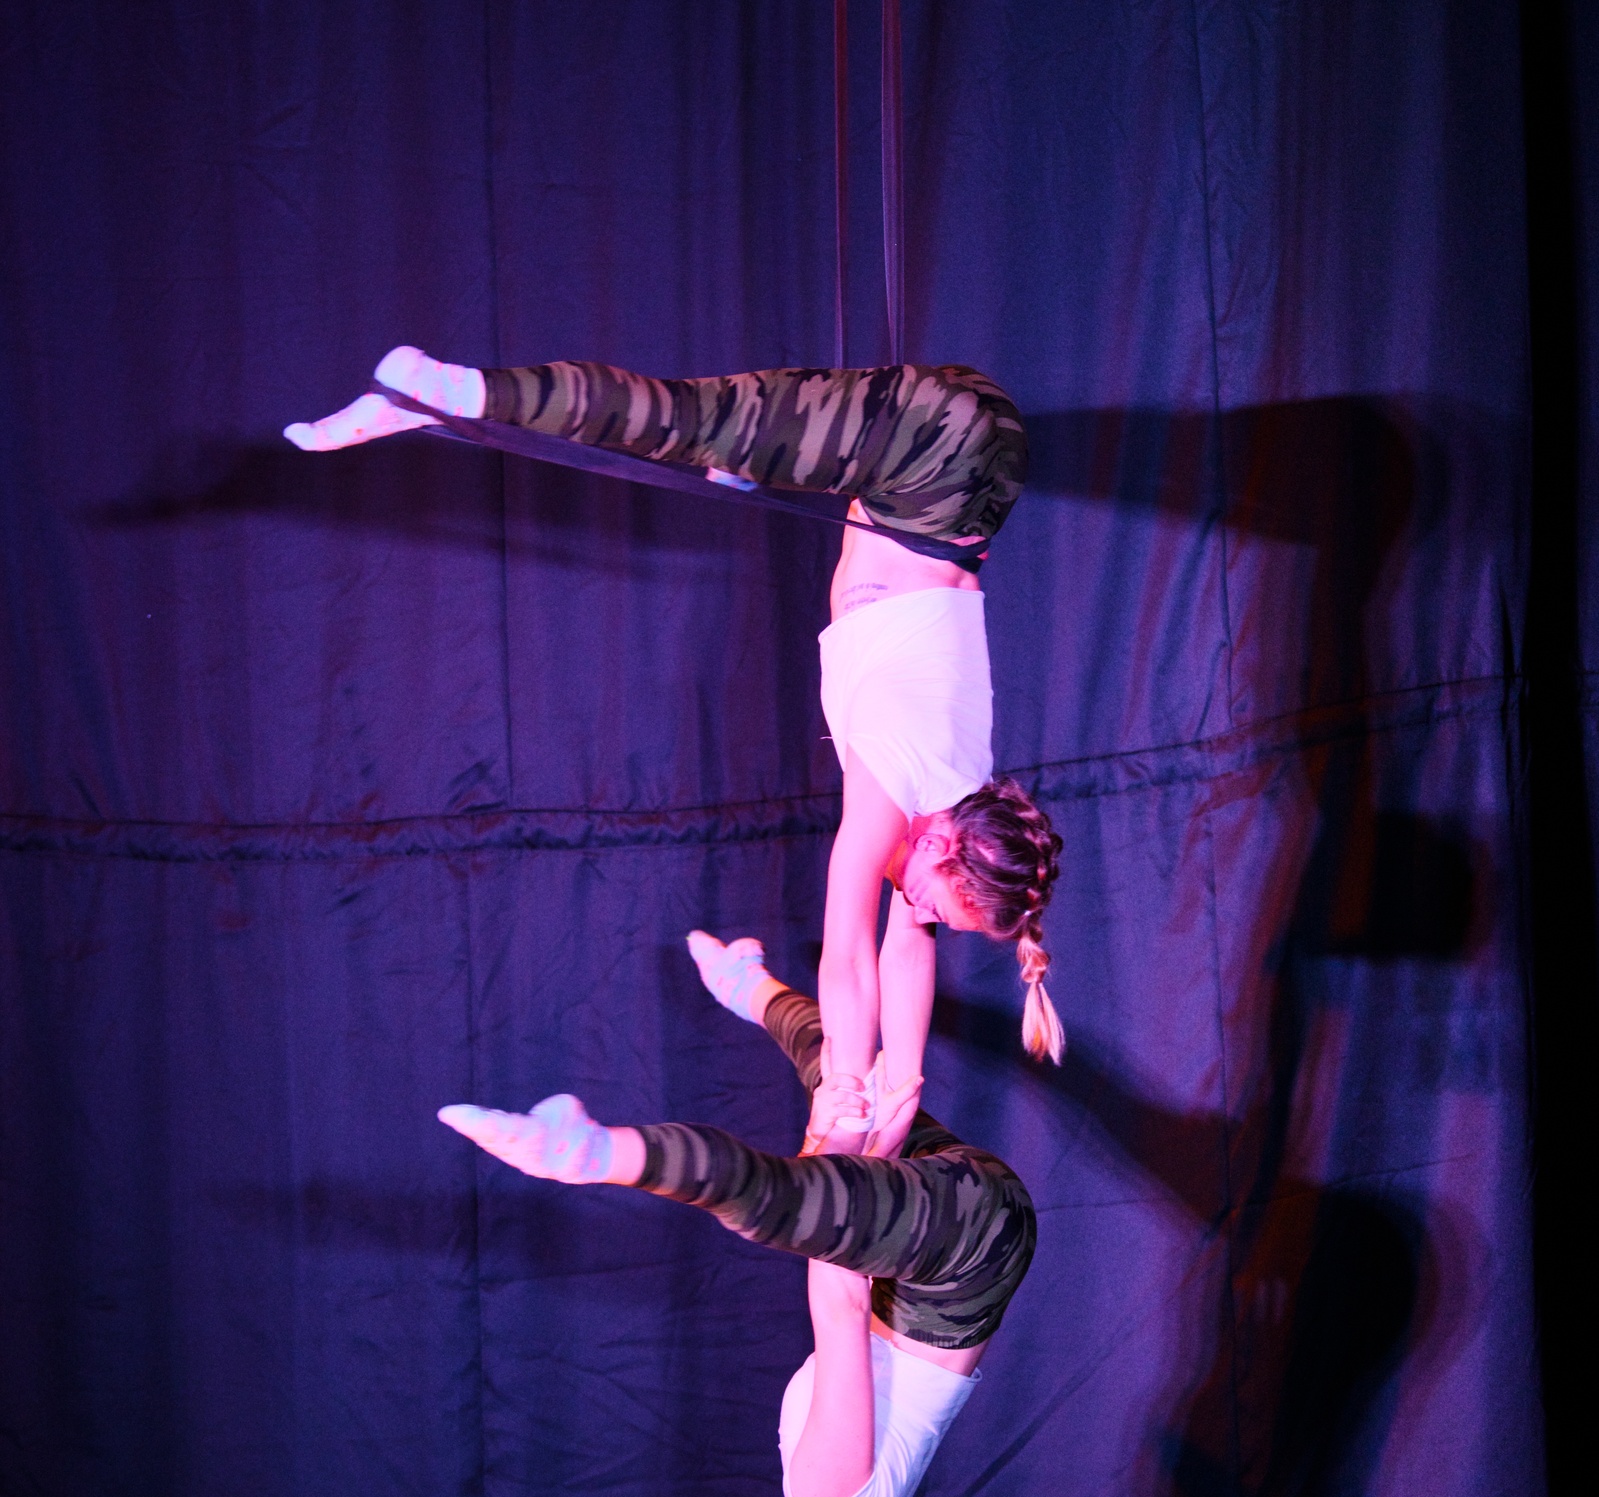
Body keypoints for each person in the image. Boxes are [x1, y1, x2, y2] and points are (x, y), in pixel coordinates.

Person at [287, 350, 1066, 1144]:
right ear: (941, 844)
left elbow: (905, 956)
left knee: (721, 433)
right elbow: (848, 957)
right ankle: (452, 389)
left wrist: (899, 1084)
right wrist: (843, 1082)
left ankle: (428, 410)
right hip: (939, 454)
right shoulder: (895, 786)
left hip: (961, 467)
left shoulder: (959, 789)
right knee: (694, 421)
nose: (922, 914)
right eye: (937, 902)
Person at [435, 934, 1038, 1497]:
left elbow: (846, 1255)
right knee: (771, 1201)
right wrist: (846, 1150)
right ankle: (597, 1155)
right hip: (964, 1250)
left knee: (839, 1074)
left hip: (944, 1236)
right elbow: (836, 1293)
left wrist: (842, 1140)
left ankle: (746, 984)